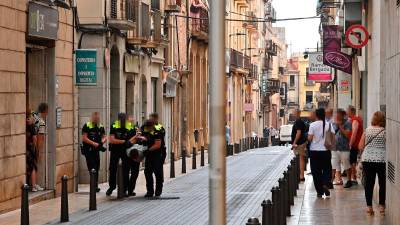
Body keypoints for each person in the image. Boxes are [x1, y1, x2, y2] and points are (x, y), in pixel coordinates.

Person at [358, 111, 386, 215]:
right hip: (381, 160)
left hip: (367, 160)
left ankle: (369, 207)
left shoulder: (367, 130)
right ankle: (382, 207)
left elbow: (360, 146)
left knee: (369, 183)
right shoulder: (384, 132)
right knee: (382, 183)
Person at [106, 113, 138, 197]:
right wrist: (124, 141)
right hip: (115, 150)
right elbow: (112, 140)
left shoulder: (131, 126)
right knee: (112, 168)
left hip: (126, 150)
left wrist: (129, 142)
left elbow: (135, 138)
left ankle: (124, 189)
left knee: (126, 170)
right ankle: (111, 187)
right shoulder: (114, 125)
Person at [308, 108, 334, 198]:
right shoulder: (329, 125)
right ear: (324, 115)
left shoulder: (312, 125)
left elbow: (310, 139)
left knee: (316, 172)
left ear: (316, 115)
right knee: (327, 169)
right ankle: (325, 184)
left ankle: (319, 191)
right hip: (326, 151)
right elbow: (333, 137)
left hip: (314, 151)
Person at [81, 112, 106, 192]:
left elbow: (104, 137)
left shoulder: (101, 126)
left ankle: (95, 185)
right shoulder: (87, 125)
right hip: (88, 150)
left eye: (98, 117)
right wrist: (93, 143)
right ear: (92, 118)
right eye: (95, 117)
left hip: (96, 150)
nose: (97, 119)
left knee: (97, 167)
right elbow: (84, 138)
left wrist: (102, 142)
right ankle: (93, 186)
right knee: (92, 167)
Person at [141, 120, 163, 197]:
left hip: (157, 154)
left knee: (158, 173)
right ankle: (150, 191)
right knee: (147, 173)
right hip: (149, 155)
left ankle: (158, 191)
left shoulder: (157, 132)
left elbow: (158, 144)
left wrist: (148, 150)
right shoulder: (145, 130)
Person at [331, 109, 352, 188]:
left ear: (342, 115)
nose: (336, 116)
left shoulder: (348, 123)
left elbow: (347, 135)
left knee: (346, 164)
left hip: (344, 148)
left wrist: (340, 126)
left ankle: (349, 180)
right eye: (336, 114)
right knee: (333, 165)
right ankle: (331, 181)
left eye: (338, 114)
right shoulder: (333, 123)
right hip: (335, 147)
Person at [30, 103, 48, 191]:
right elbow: (40, 138)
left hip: (28, 144)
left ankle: (33, 184)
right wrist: (38, 151)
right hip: (34, 146)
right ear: (45, 111)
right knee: (34, 165)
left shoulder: (34, 115)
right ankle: (34, 185)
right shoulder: (41, 122)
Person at [347, 105, 363, 185]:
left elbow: (354, 133)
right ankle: (354, 177)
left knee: (352, 161)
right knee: (353, 160)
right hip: (356, 144)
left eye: (348, 111)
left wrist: (350, 144)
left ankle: (354, 178)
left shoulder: (355, 120)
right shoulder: (357, 119)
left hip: (354, 144)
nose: (347, 112)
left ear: (351, 111)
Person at [291, 109, 307, 181]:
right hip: (301, 143)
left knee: (300, 159)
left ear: (298, 113)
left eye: (294, 112)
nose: (293, 114)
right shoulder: (300, 121)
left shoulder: (298, 122)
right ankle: (301, 175)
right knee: (301, 159)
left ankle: (301, 176)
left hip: (299, 144)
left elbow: (298, 133)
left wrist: (294, 142)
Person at [26, 110, 40, 192]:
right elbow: (35, 138)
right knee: (33, 167)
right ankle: (34, 185)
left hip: (26, 149)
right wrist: (36, 148)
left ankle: (31, 184)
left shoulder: (25, 125)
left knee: (29, 167)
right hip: (31, 149)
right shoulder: (32, 126)